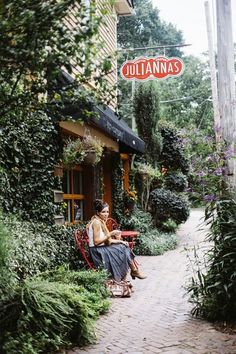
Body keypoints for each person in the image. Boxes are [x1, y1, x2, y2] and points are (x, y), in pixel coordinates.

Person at [87, 199, 147, 282]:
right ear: (98, 213)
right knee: (123, 249)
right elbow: (96, 242)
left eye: (107, 212)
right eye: (103, 212)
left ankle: (133, 271)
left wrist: (121, 241)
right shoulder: (96, 222)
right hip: (97, 251)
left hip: (101, 248)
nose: (106, 214)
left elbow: (109, 241)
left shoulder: (100, 221)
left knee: (124, 246)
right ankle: (134, 271)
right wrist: (110, 234)